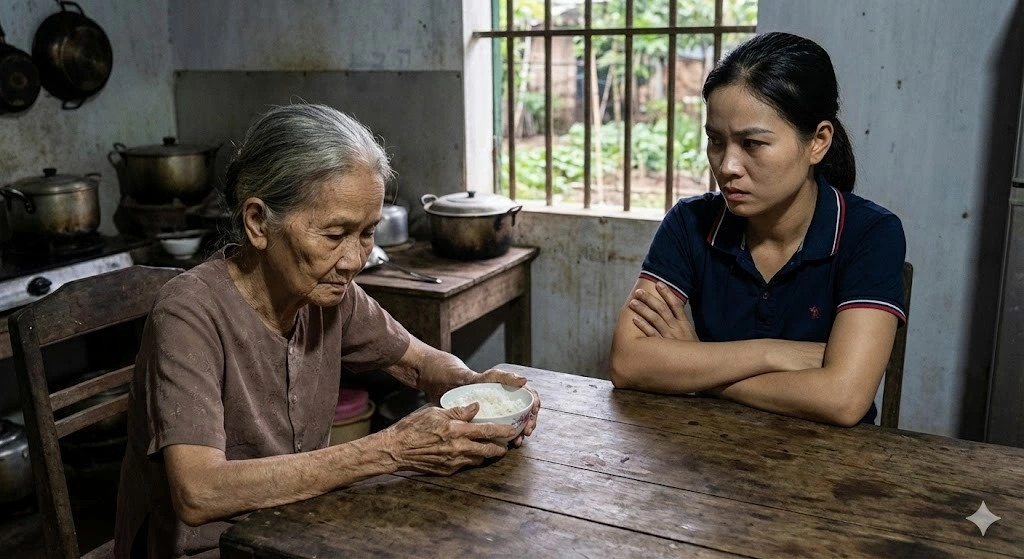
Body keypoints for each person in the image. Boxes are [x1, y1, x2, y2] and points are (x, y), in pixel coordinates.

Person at [113, 104, 540, 558]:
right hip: (205, 548)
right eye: (334, 235)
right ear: (258, 222)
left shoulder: (329, 295)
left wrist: (473, 389)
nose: (354, 260)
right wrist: (390, 450)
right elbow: (199, 493)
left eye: (367, 233)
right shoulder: (189, 312)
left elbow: (416, 362)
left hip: (294, 527)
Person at [609, 32, 906, 427]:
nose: (726, 166)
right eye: (715, 141)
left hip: (831, 470)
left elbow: (842, 398)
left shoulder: (871, 234)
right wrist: (770, 352)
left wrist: (699, 367)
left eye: (752, 144)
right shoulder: (691, 222)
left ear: (818, 142)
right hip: (705, 453)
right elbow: (629, 363)